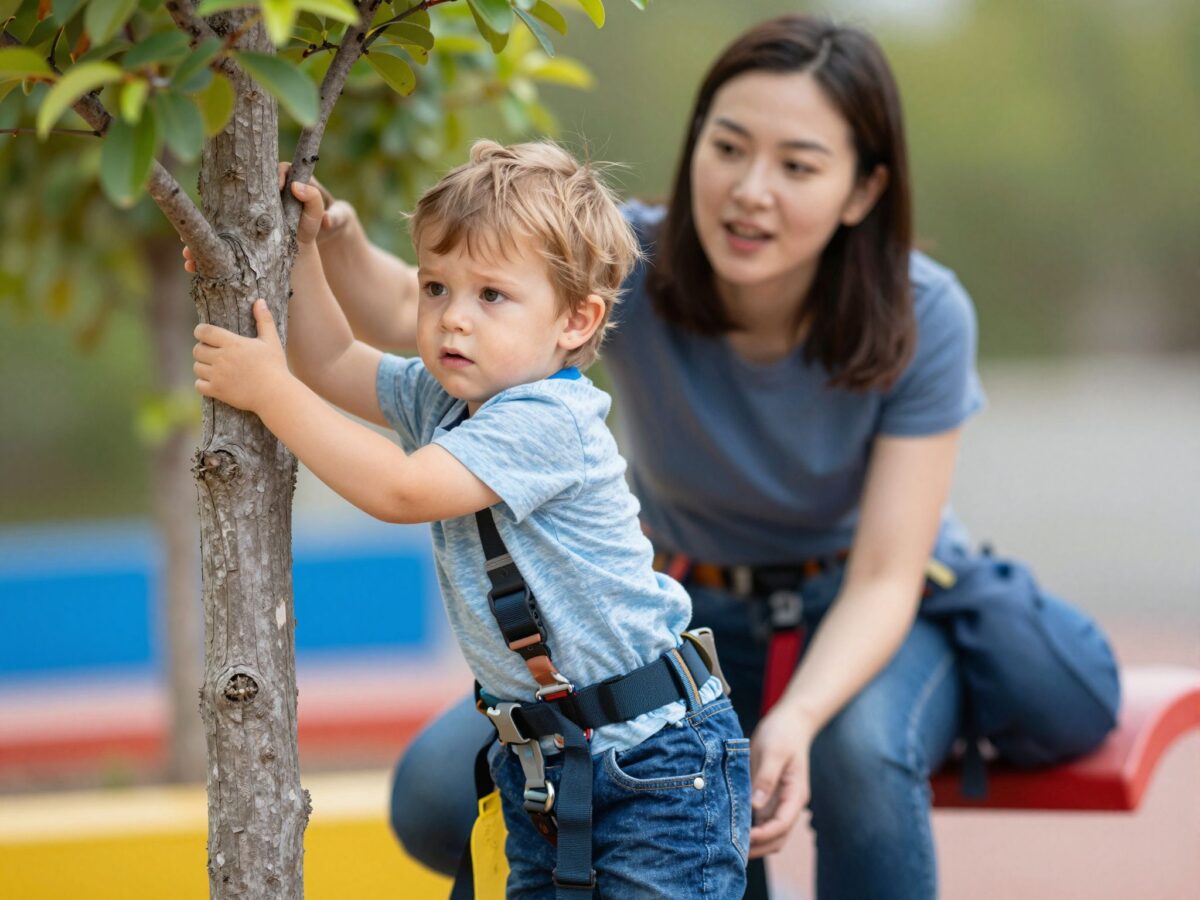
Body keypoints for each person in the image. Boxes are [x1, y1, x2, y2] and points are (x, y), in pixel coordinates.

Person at [190, 16, 1120, 899]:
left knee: (858, 757)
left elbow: (887, 572)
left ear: (864, 190)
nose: (751, 189)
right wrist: (324, 242)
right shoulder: (628, 255)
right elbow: (420, 318)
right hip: (688, 605)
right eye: (729, 146)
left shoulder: (921, 309)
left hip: (851, 598)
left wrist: (794, 721)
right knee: (441, 791)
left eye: (798, 165)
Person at [189, 140, 750, 898]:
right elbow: (328, 361)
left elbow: (401, 491)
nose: (454, 319)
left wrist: (269, 392)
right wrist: (306, 250)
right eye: (434, 288)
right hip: (544, 758)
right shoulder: (443, 398)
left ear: (576, 321)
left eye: (491, 296)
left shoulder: (549, 418)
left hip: (654, 763)